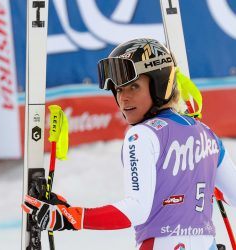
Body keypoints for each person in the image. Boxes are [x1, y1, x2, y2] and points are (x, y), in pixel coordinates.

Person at [22, 38, 236, 249]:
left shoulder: (142, 135)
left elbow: (137, 209)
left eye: (134, 86)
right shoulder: (207, 134)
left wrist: (72, 217)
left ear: (160, 84)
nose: (123, 98)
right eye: (118, 89)